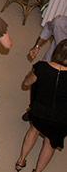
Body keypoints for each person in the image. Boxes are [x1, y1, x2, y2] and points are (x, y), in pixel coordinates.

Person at [15, 39, 67, 172]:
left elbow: (27, 83)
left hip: (39, 111)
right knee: (50, 143)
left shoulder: (41, 67)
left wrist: (30, 74)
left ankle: (21, 161)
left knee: (33, 130)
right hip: (61, 119)